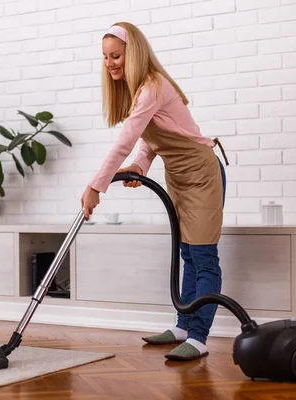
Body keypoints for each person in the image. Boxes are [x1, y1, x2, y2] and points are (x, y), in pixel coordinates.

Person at [80, 22, 229, 362]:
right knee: (187, 254)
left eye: (115, 56)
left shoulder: (152, 87)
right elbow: (150, 142)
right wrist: (139, 167)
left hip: (203, 175)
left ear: (133, 54)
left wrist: (95, 187)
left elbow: (125, 140)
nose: (110, 63)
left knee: (204, 256)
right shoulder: (138, 92)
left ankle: (200, 336)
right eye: (105, 57)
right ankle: (183, 326)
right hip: (179, 177)